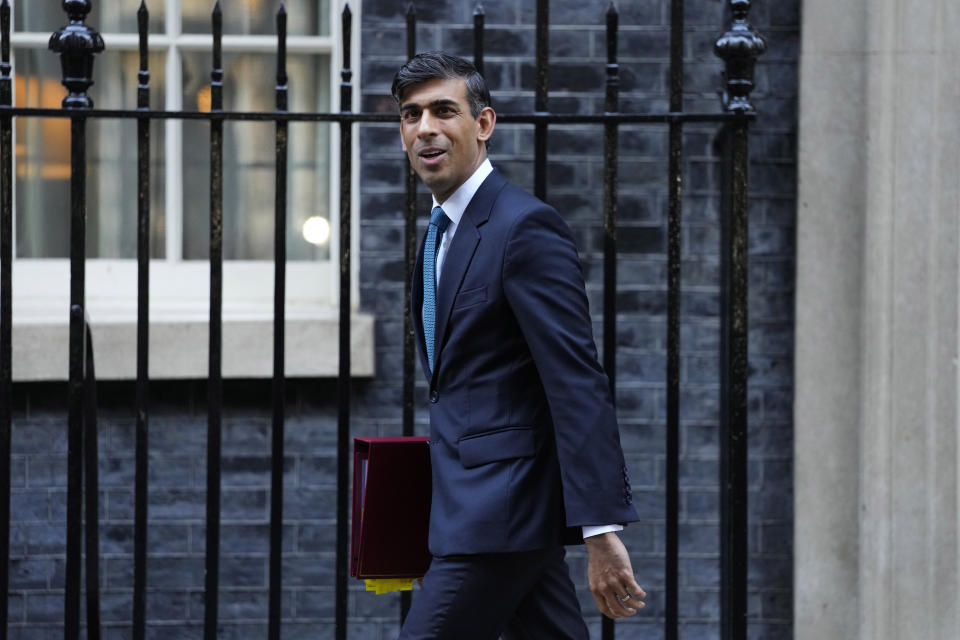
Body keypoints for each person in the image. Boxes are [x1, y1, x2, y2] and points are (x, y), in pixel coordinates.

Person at [394, 52, 645, 640]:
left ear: (483, 125)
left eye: (443, 110)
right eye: (411, 115)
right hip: (479, 508)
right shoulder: (440, 233)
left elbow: (575, 379)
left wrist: (599, 528)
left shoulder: (522, 227)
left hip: (497, 517)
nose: (425, 128)